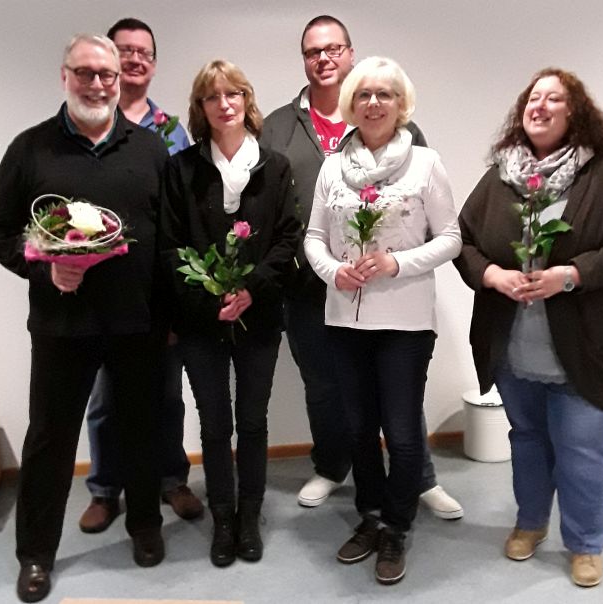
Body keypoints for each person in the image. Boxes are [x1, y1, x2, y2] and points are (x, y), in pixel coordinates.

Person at [453, 67, 603, 588]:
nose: (539, 106)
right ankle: (530, 522)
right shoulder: (500, 174)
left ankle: (586, 543)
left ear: (575, 113)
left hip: (586, 346)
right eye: (532, 98)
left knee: (582, 447)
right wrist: (492, 274)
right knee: (527, 439)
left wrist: (573, 275)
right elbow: (463, 239)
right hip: (516, 345)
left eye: (554, 99)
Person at [0, 34, 169, 602]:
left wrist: (174, 312)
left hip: (137, 322)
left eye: (106, 75)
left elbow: (168, 238)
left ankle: (144, 527)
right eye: (84, 73)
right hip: (63, 326)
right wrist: (46, 272)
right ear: (64, 76)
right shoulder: (30, 148)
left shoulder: (151, 148)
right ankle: (36, 554)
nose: (96, 84)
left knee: (143, 432)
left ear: (121, 80)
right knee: (50, 442)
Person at [261, 14, 463, 520]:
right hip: (312, 287)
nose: (324, 58)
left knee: (398, 395)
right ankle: (332, 468)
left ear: (350, 54)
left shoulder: (401, 128)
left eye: (334, 48)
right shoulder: (279, 127)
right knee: (326, 389)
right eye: (313, 51)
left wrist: (395, 262)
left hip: (393, 294)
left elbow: (433, 221)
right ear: (303, 59)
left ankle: (419, 480)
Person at [304, 56, 462, 585]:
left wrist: (398, 262)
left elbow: (451, 239)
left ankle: (397, 524)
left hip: (405, 321)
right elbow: (313, 238)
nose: (373, 103)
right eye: (365, 94)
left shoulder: (425, 163)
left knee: (400, 430)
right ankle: (369, 515)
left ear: (401, 104)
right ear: (351, 103)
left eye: (384, 95)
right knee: (357, 427)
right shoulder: (333, 166)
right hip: (345, 320)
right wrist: (332, 272)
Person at [160, 60, 301, 568]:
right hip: (201, 322)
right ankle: (223, 517)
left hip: (259, 317)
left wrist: (250, 291)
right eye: (213, 96)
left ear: (247, 101)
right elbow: (171, 247)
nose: (225, 103)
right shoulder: (181, 170)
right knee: (216, 425)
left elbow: (287, 241)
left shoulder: (276, 166)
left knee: (254, 421)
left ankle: (249, 516)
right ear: (201, 109)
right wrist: (209, 297)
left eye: (234, 93)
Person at [78, 16, 202, 536]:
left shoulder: (172, 132)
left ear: (153, 64)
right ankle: (107, 489)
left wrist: (180, 297)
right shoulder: (83, 124)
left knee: (166, 393)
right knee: (105, 398)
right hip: (98, 293)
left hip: (157, 293)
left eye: (143, 52)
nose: (134, 60)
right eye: (124, 51)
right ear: (108, 59)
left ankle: (172, 478)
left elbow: (186, 213)